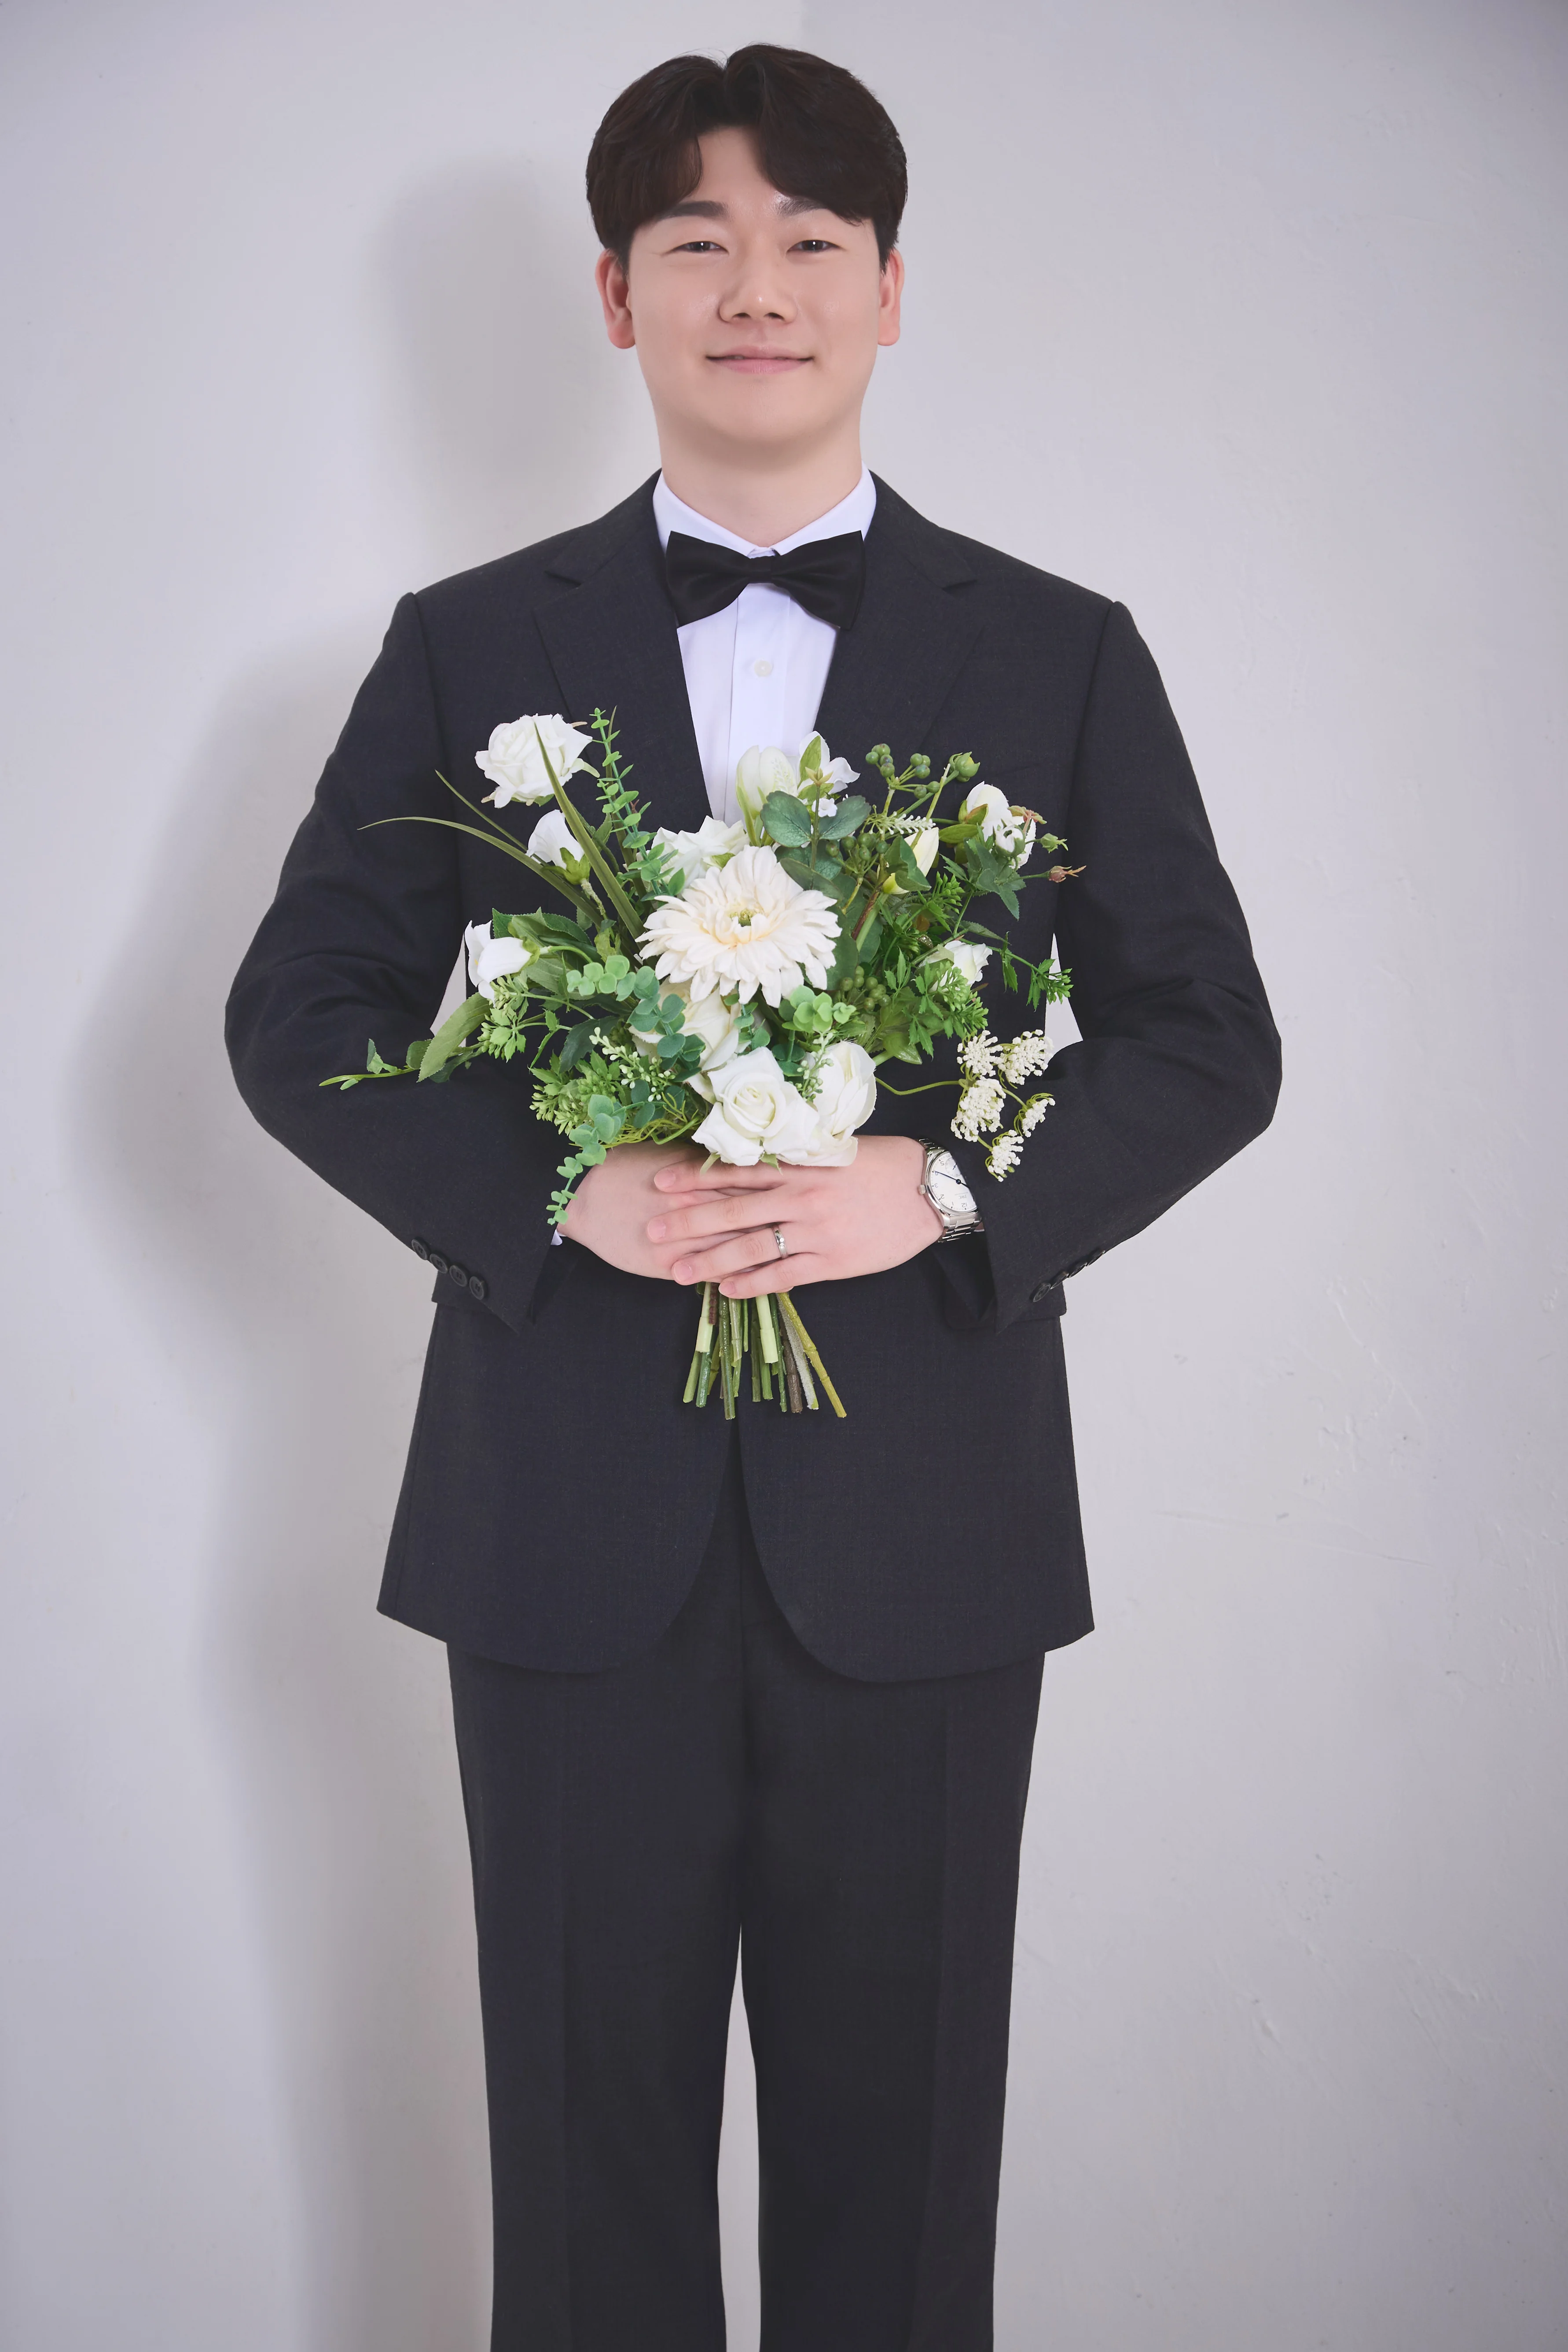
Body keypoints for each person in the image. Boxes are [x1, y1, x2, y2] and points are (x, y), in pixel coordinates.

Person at [227, 43, 1280, 2351]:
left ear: (891, 287)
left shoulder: (1055, 651)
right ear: (617, 295)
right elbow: (296, 1015)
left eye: (810, 240)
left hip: (925, 1513)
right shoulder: (467, 645)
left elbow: (1211, 1039)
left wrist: (949, 1184)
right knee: (582, 2187)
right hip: (556, 1519)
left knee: (898, 2199)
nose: (757, 288)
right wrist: (559, 1189)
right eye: (696, 242)